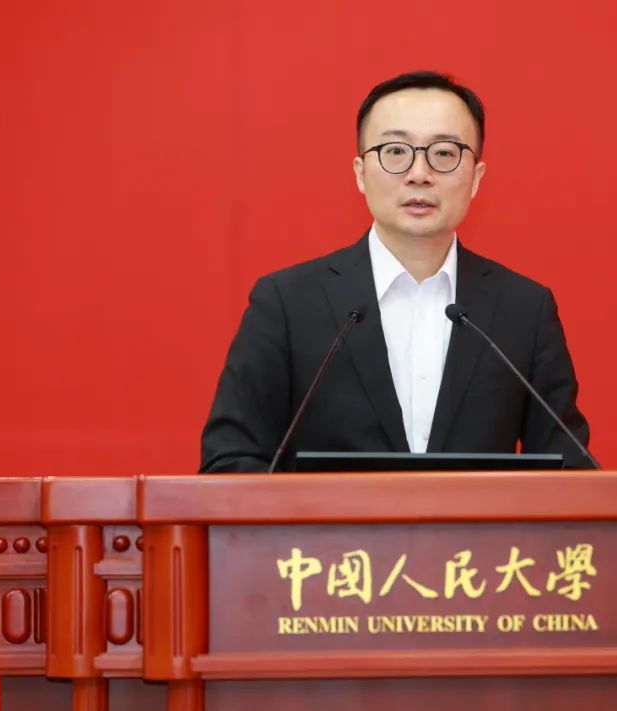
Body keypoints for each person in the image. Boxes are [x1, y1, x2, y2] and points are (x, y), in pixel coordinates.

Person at [200, 71, 595, 473]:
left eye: (445, 153)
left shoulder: (523, 310)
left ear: (476, 178)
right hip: (326, 520)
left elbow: (572, 473)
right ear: (360, 173)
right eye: (395, 151)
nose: (419, 173)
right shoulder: (287, 304)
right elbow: (229, 463)